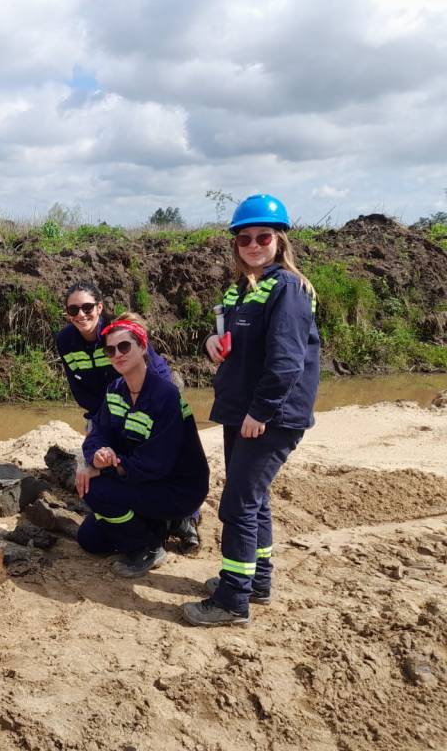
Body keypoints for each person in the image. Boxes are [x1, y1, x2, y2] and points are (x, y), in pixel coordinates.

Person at [182, 194, 320, 627]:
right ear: (236, 244)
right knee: (254, 502)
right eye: (245, 238)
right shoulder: (243, 288)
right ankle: (256, 581)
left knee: (238, 505)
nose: (254, 244)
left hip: (268, 417)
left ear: (279, 241)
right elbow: (231, 340)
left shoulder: (289, 290)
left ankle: (232, 600)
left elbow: (286, 363)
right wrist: (210, 344)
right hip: (240, 410)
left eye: (263, 236)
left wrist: (261, 413)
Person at [56, 283, 200, 552]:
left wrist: (135, 412)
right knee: (99, 479)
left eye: (87, 307)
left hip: (141, 406)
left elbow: (154, 375)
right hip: (110, 407)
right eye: (73, 309)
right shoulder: (66, 340)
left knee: (149, 465)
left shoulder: (118, 335)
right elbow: (78, 385)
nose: (81, 314)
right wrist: (104, 422)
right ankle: (139, 519)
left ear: (100, 307)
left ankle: (183, 519)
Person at [75, 318, 210, 576]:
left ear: (142, 347)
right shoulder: (115, 390)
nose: (117, 354)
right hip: (143, 479)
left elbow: (156, 463)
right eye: (110, 350)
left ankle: (147, 547)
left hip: (177, 488)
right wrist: (98, 456)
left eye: (124, 347)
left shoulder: (165, 396)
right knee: (90, 539)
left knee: (95, 490)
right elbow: (97, 434)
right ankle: (157, 526)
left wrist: (104, 470)